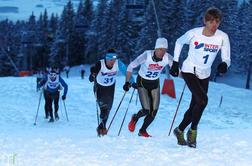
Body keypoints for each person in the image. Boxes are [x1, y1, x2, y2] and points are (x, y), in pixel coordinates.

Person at [169, 7, 231, 148]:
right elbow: (179, 42)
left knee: (195, 106)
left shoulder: (222, 37)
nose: (214, 25)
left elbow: (227, 57)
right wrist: (175, 62)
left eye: (217, 22)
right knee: (202, 100)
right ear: (205, 21)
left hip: (205, 73)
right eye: (211, 22)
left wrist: (224, 64)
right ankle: (193, 131)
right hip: (189, 70)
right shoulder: (194, 33)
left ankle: (179, 130)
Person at [124, 37, 173, 138]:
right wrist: (127, 81)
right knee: (146, 109)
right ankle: (135, 118)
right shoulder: (146, 55)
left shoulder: (168, 58)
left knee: (154, 111)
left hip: (155, 83)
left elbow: (179, 71)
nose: (162, 52)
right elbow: (130, 66)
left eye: (164, 50)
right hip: (142, 82)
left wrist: (188, 77)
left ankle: (142, 130)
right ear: (155, 48)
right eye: (160, 49)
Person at [89, 48, 134, 136]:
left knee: (108, 109)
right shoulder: (100, 63)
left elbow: (127, 72)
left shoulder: (118, 63)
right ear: (106, 58)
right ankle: (102, 127)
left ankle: (102, 127)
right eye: (110, 59)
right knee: (103, 109)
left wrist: (130, 82)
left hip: (110, 88)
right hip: (99, 87)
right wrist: (92, 75)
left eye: (114, 59)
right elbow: (93, 73)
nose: (112, 61)